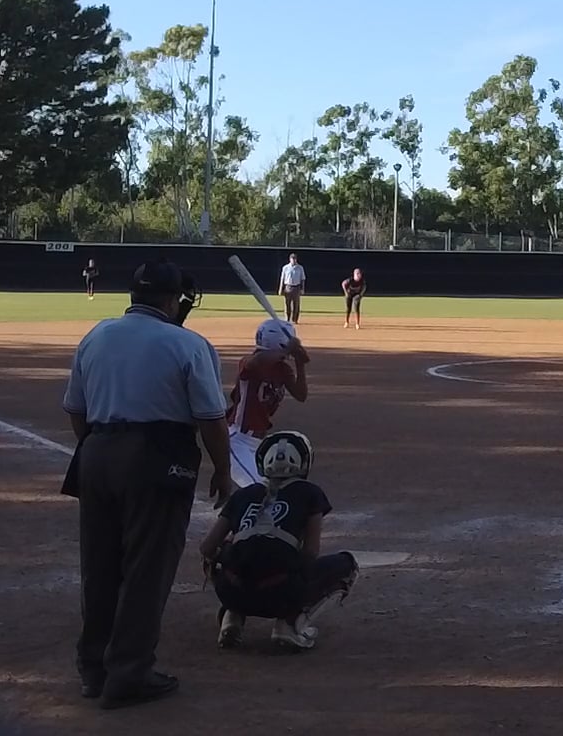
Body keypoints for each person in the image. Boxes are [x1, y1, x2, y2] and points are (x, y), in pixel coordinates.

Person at [60, 259, 237, 710]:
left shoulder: (97, 334)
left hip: (96, 452)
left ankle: (93, 669)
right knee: (147, 568)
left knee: (99, 565)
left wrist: (100, 448)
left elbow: (76, 409)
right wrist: (222, 470)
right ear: (173, 299)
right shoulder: (188, 343)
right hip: (156, 457)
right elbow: (211, 419)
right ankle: (129, 673)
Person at [199, 431, 359, 653]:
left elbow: (206, 548)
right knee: (347, 566)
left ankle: (232, 614)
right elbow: (310, 553)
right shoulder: (310, 493)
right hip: (281, 595)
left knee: (225, 558)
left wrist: (232, 551)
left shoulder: (243, 494)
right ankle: (290, 624)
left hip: (231, 592)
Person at [225, 320, 310, 488]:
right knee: (259, 488)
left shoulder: (282, 369)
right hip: (237, 440)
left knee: (270, 489)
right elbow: (257, 361)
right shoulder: (249, 362)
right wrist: (287, 350)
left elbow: (301, 395)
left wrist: (300, 364)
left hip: (259, 443)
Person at [278, 255, 307, 323]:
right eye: (292, 259)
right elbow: (282, 278)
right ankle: (287, 318)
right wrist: (280, 288)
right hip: (288, 287)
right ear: (290, 259)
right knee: (287, 304)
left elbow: (303, 279)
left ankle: (295, 319)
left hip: (296, 287)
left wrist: (302, 289)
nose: (293, 260)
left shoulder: (300, 268)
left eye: (295, 259)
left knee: (296, 304)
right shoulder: (285, 267)